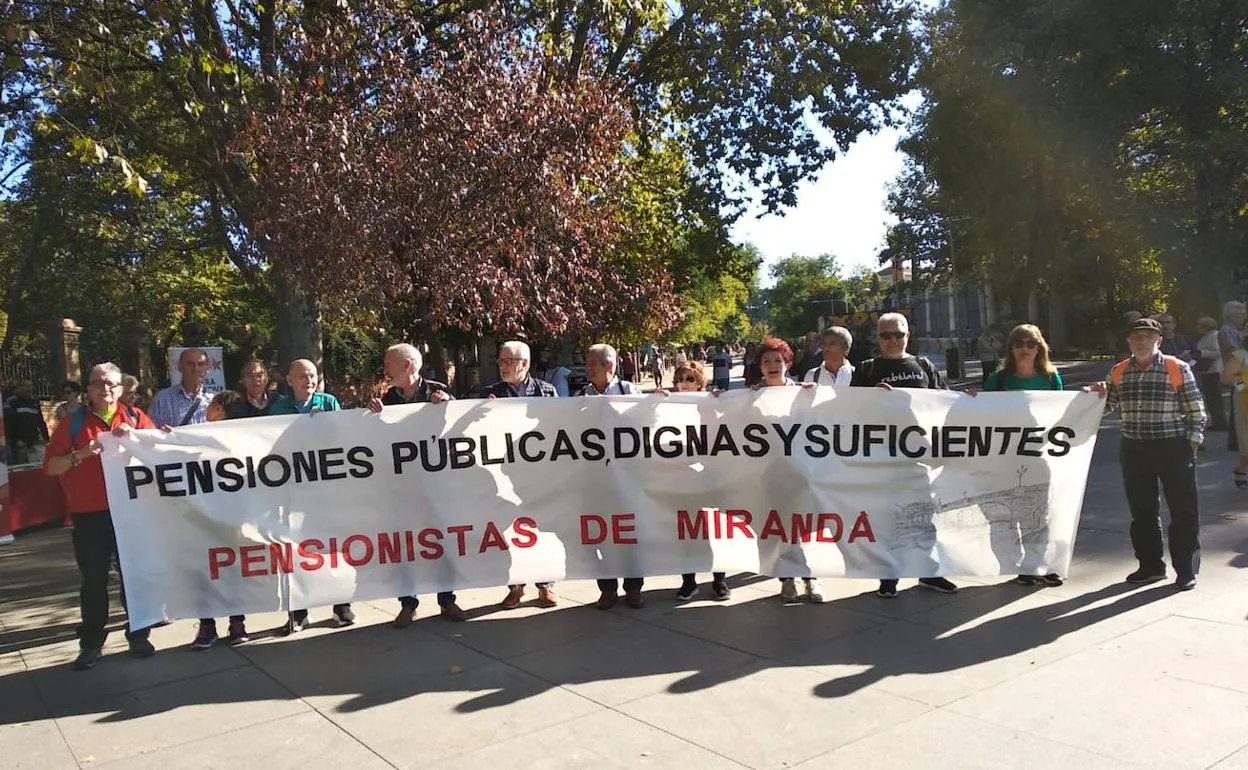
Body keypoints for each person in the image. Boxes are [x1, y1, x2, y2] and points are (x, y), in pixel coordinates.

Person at [44, 362, 158, 671]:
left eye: (110, 384)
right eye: (97, 383)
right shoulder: (73, 422)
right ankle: (91, 644)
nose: (104, 389)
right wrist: (81, 454)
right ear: (88, 389)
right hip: (89, 515)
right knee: (93, 580)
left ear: (121, 389)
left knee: (132, 576)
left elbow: (161, 452)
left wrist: (142, 437)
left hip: (129, 513)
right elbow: (51, 466)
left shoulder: (135, 417)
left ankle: (138, 635)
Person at [1087, 317, 1206, 590]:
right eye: (1136, 337)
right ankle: (1151, 566)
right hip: (1134, 448)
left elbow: (1196, 410)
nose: (1141, 341)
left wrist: (1191, 445)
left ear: (1158, 340)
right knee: (1142, 512)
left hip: (1173, 446)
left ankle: (1186, 569)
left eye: (1147, 336)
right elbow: (1107, 406)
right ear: (1129, 341)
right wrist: (1093, 397)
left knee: (1183, 511)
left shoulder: (1177, 368)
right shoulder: (1118, 371)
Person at [852, 312, 960, 598]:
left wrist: (973, 402)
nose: (892, 340)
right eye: (886, 335)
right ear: (878, 338)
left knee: (925, 515)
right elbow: (848, 410)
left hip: (921, 456)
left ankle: (929, 572)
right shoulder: (866, 369)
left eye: (898, 334)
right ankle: (889, 575)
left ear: (907, 335)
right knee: (887, 517)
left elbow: (945, 401)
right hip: (882, 457)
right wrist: (870, 396)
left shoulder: (923, 365)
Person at [365, 344, 466, 627]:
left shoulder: (437, 389)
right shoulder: (386, 397)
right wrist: (371, 414)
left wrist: (448, 402)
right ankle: (408, 604)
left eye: (389, 363)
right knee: (404, 545)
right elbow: (372, 436)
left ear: (408, 366)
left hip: (434, 485)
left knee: (440, 541)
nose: (385, 369)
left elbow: (459, 426)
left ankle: (447, 600)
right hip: (399, 487)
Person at [270, 359, 355, 632]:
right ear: (290, 380)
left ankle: (341, 606)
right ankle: (299, 612)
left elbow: (341, 436)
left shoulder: (329, 402)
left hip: (326, 488)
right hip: (293, 489)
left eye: (313, 375)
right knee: (296, 548)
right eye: (302, 376)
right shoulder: (279, 408)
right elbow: (270, 442)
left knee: (333, 548)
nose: (309, 380)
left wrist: (325, 426)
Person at [977, 323, 1065, 586]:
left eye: (1031, 344)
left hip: (1038, 457)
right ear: (1011, 349)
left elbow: (1062, 415)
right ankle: (1012, 565)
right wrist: (971, 401)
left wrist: (1088, 399)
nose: (1025, 349)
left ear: (1040, 348)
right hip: (1004, 457)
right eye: (1019, 344)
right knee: (1004, 515)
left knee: (1036, 514)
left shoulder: (1051, 378)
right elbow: (982, 414)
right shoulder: (998, 379)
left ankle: (1036, 564)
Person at [481, 341, 560, 609]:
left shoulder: (546, 392)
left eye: (508, 361)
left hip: (540, 476)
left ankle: (545, 586)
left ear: (524, 364)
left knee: (542, 530)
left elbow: (559, 426)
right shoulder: (490, 394)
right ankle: (516, 586)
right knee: (509, 531)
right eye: (500, 361)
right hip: (504, 476)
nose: (502, 366)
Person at [747, 338, 825, 603]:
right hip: (771, 476)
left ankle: (811, 579)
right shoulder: (753, 398)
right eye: (766, 361)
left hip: (802, 473)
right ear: (759, 366)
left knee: (805, 527)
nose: (772, 366)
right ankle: (787, 580)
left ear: (787, 363)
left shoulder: (804, 393)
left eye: (777, 360)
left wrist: (817, 394)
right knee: (781, 528)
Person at [577, 344, 645, 608]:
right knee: (600, 534)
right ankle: (607, 589)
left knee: (629, 534)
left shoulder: (630, 392)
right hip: (596, 478)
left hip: (627, 477)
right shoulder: (581, 396)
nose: (587, 369)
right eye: (587, 363)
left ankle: (634, 588)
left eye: (592, 364)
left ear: (610, 367)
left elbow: (645, 420)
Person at [187, 390, 251, 649]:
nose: (208, 408)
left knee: (231, 567)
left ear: (222, 410)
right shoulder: (198, 435)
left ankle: (237, 622)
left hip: (230, 514)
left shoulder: (240, 438)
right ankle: (207, 625)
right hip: (202, 513)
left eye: (213, 405)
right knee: (204, 569)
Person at [664, 363, 730, 601]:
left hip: (710, 477)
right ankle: (689, 581)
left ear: (700, 383)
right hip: (681, 479)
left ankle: (719, 580)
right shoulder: (667, 407)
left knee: (714, 529)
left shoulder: (712, 405)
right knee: (686, 532)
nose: (683, 383)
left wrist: (722, 402)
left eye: (689, 378)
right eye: (679, 378)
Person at [148, 347, 212, 429]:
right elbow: (150, 432)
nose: (196, 369)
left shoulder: (214, 399)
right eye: (190, 364)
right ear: (179, 367)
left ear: (207, 368)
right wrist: (164, 434)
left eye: (201, 364)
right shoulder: (162, 399)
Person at [1220, 336, 1248, 488]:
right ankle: (1242, 469)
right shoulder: (1240, 355)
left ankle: (1242, 469)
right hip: (1245, 404)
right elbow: (1226, 379)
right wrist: (1246, 382)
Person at [1219, 301, 1246, 451]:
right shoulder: (1227, 330)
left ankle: (1236, 440)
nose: (1243, 316)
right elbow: (1233, 350)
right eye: (1240, 314)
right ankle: (1236, 441)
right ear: (1231, 315)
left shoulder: (1235, 330)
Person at [1194, 316, 1227, 432]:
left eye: (1199, 325)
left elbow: (1217, 352)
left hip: (1214, 369)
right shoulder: (1204, 337)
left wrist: (1201, 353)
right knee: (1210, 397)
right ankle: (1216, 420)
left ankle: (1221, 421)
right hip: (1206, 370)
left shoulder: (1214, 335)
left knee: (1216, 397)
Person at [4, 379, 49, 465]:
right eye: (26, 386)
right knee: (21, 468)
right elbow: (9, 423)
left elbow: (40, 422)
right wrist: (16, 440)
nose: (29, 388)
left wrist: (46, 438)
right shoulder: (12, 402)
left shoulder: (35, 402)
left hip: (33, 443)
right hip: (19, 445)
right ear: (18, 388)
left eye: (30, 386)